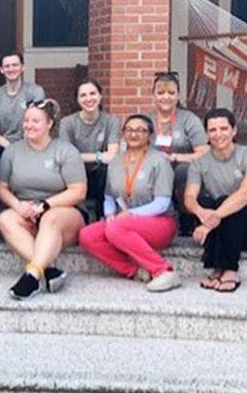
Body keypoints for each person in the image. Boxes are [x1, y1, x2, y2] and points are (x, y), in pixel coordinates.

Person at [0, 100, 87, 300]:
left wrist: (46, 205)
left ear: (50, 124)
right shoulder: (12, 151)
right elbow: (1, 187)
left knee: (50, 218)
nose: (29, 125)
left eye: (35, 121)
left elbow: (78, 191)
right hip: (27, 212)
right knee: (5, 219)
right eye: (26, 120)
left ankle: (32, 275)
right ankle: (47, 269)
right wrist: (17, 205)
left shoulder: (65, 151)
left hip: (63, 214)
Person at [78, 114, 180, 292]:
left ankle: (163, 271)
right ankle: (135, 271)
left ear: (150, 135)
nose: (134, 134)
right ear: (123, 134)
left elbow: (162, 203)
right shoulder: (116, 162)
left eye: (140, 130)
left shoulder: (159, 161)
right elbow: (109, 196)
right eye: (129, 130)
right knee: (88, 235)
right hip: (123, 221)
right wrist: (110, 215)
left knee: (116, 228)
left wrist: (131, 214)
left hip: (160, 222)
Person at [185, 108, 247, 293]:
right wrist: (201, 213)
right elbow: (189, 197)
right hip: (223, 225)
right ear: (206, 134)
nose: (218, 134)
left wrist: (209, 224)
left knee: (230, 204)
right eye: (212, 130)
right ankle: (219, 268)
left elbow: (245, 194)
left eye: (223, 128)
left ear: (234, 130)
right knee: (209, 203)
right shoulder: (198, 163)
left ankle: (229, 270)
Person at [150, 72, 208, 232]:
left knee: (187, 171)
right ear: (153, 95)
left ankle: (186, 218)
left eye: (171, 93)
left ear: (178, 96)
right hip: (152, 170)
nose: (166, 97)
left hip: (180, 169)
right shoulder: (146, 120)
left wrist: (175, 157)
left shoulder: (189, 120)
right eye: (160, 93)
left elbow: (204, 152)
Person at [58, 78, 120, 219]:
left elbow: (112, 155)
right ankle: (80, 216)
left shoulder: (111, 121)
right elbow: (66, 157)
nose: (89, 99)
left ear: (100, 96)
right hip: (76, 172)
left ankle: (103, 216)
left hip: (100, 173)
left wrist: (81, 156)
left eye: (92, 93)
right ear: (78, 100)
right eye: (83, 95)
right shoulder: (67, 123)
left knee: (106, 172)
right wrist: (99, 156)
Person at [0, 52, 45, 163]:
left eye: (15, 65)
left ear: (22, 67)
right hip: (4, 146)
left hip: (32, 145)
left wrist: (23, 148)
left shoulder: (35, 92)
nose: (11, 69)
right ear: (1, 70)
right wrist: (11, 148)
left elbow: (36, 123)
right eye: (7, 66)